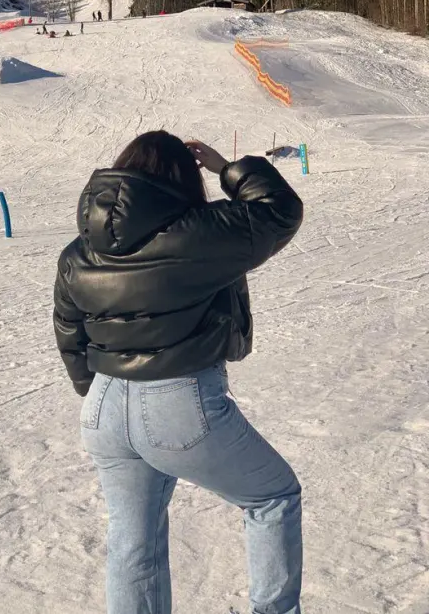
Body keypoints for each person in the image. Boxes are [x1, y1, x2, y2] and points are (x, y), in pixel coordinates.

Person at [54, 131, 304, 614]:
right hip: (177, 403)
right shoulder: (199, 233)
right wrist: (227, 169)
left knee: (134, 543)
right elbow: (279, 210)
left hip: (104, 409)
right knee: (272, 497)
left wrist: (99, 390)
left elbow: (70, 332)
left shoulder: (78, 252)